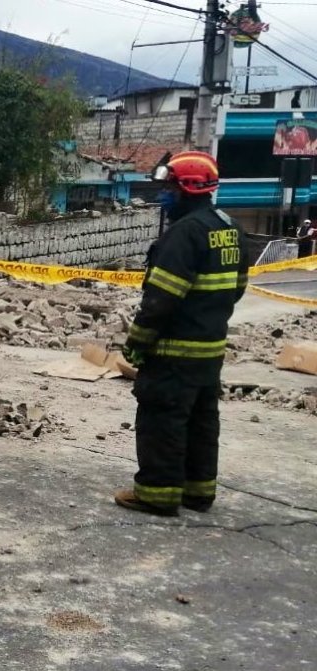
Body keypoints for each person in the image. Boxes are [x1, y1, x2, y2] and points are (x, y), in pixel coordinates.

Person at [116, 151, 250, 517]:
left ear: (187, 188)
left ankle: (157, 494)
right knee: (202, 420)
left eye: (169, 188)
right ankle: (198, 491)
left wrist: (137, 345)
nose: (163, 195)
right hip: (210, 350)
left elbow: (160, 300)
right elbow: (237, 287)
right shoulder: (228, 228)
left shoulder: (183, 234)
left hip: (174, 352)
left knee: (163, 418)